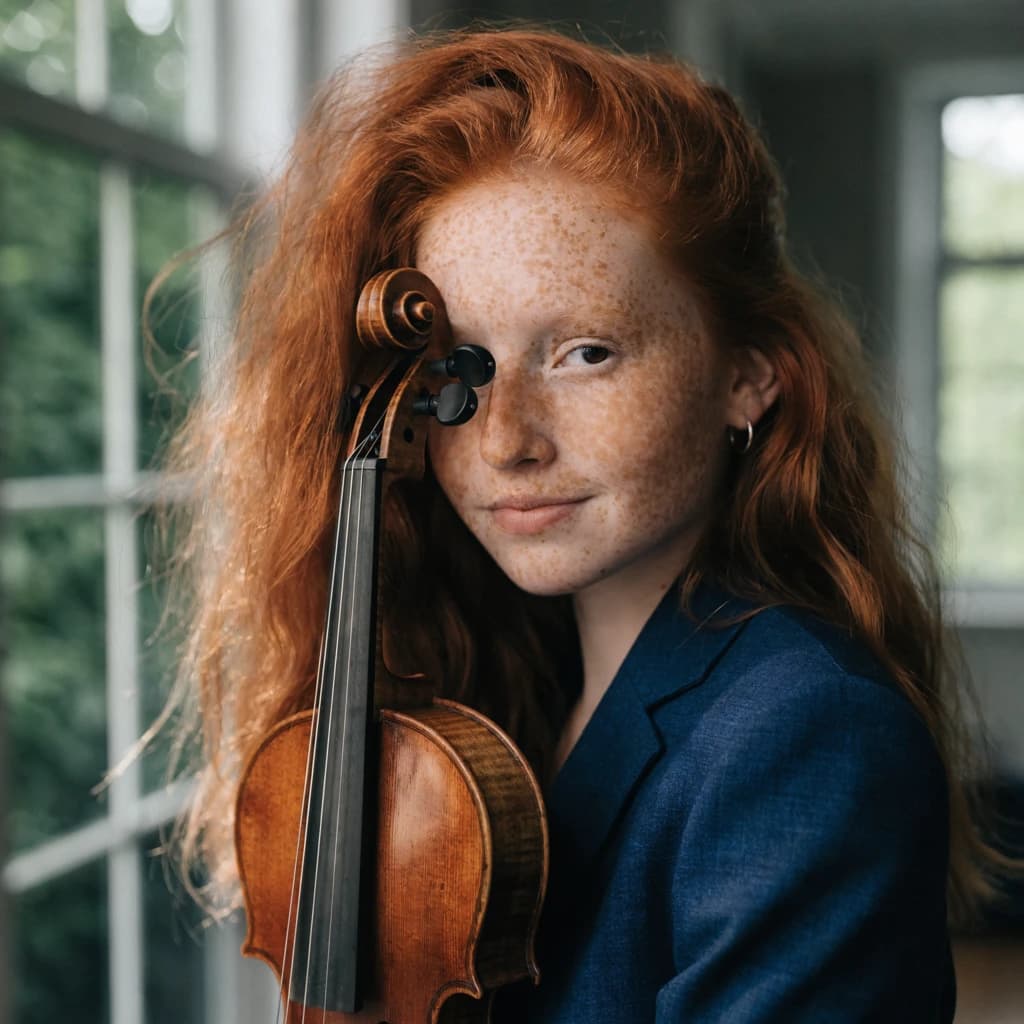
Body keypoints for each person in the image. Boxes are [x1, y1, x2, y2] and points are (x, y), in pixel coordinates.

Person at [155, 26, 1003, 1022]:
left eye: (586, 352)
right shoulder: (516, 684)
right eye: (459, 367)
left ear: (747, 375)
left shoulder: (803, 733)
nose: (507, 438)